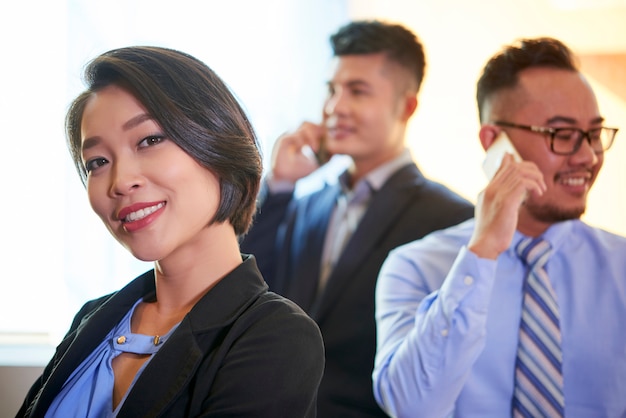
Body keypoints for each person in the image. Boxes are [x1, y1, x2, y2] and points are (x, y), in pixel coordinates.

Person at [17, 46, 324, 418]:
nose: (120, 181)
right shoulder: (93, 317)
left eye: (149, 140)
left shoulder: (276, 335)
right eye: (98, 162)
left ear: (217, 143)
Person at [372, 37, 626, 417]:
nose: (588, 156)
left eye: (594, 134)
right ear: (495, 142)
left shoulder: (621, 266)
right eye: (563, 134)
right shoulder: (415, 266)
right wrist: (482, 253)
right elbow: (411, 407)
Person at [240, 20, 474, 417]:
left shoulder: (453, 219)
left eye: (357, 91)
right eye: (331, 90)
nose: (335, 107)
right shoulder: (303, 204)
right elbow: (246, 288)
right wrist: (278, 184)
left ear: (407, 105)